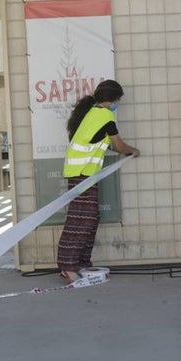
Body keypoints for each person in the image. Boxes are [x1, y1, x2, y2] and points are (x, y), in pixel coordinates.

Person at [56, 80, 139, 282]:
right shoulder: (104, 115)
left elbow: (100, 142)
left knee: (90, 219)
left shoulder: (92, 113)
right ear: (111, 101)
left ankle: (82, 263)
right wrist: (133, 150)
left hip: (84, 173)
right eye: (118, 100)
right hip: (81, 173)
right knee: (81, 220)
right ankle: (68, 266)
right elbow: (118, 145)